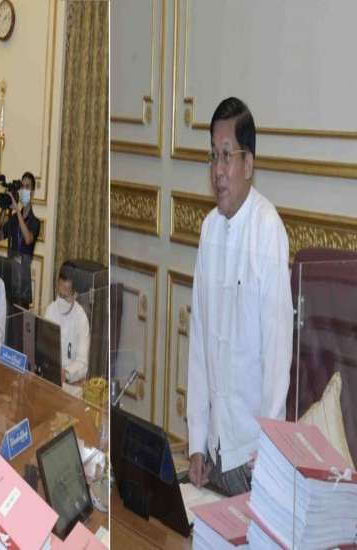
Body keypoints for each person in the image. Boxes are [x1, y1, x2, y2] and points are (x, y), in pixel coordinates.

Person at [187, 97, 293, 497]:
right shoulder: (209, 229)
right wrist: (197, 441)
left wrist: (267, 455)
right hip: (214, 451)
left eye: (227, 156)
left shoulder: (268, 230)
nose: (218, 170)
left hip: (251, 458)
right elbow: (199, 341)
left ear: (248, 164)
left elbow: (277, 357)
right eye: (213, 156)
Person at [0, 172, 41, 309]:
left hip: (23, 280)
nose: (24, 190)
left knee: (20, 318)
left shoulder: (35, 221)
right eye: (23, 187)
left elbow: (28, 239)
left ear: (32, 192)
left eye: (28, 187)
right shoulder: (14, 218)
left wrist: (17, 210)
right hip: (9, 275)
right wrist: (4, 209)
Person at [44, 264, 90, 398]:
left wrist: (66, 373)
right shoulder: (50, 310)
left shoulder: (81, 318)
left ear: (75, 293)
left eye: (66, 296)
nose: (62, 301)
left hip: (72, 386)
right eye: (60, 294)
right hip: (50, 380)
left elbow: (82, 364)